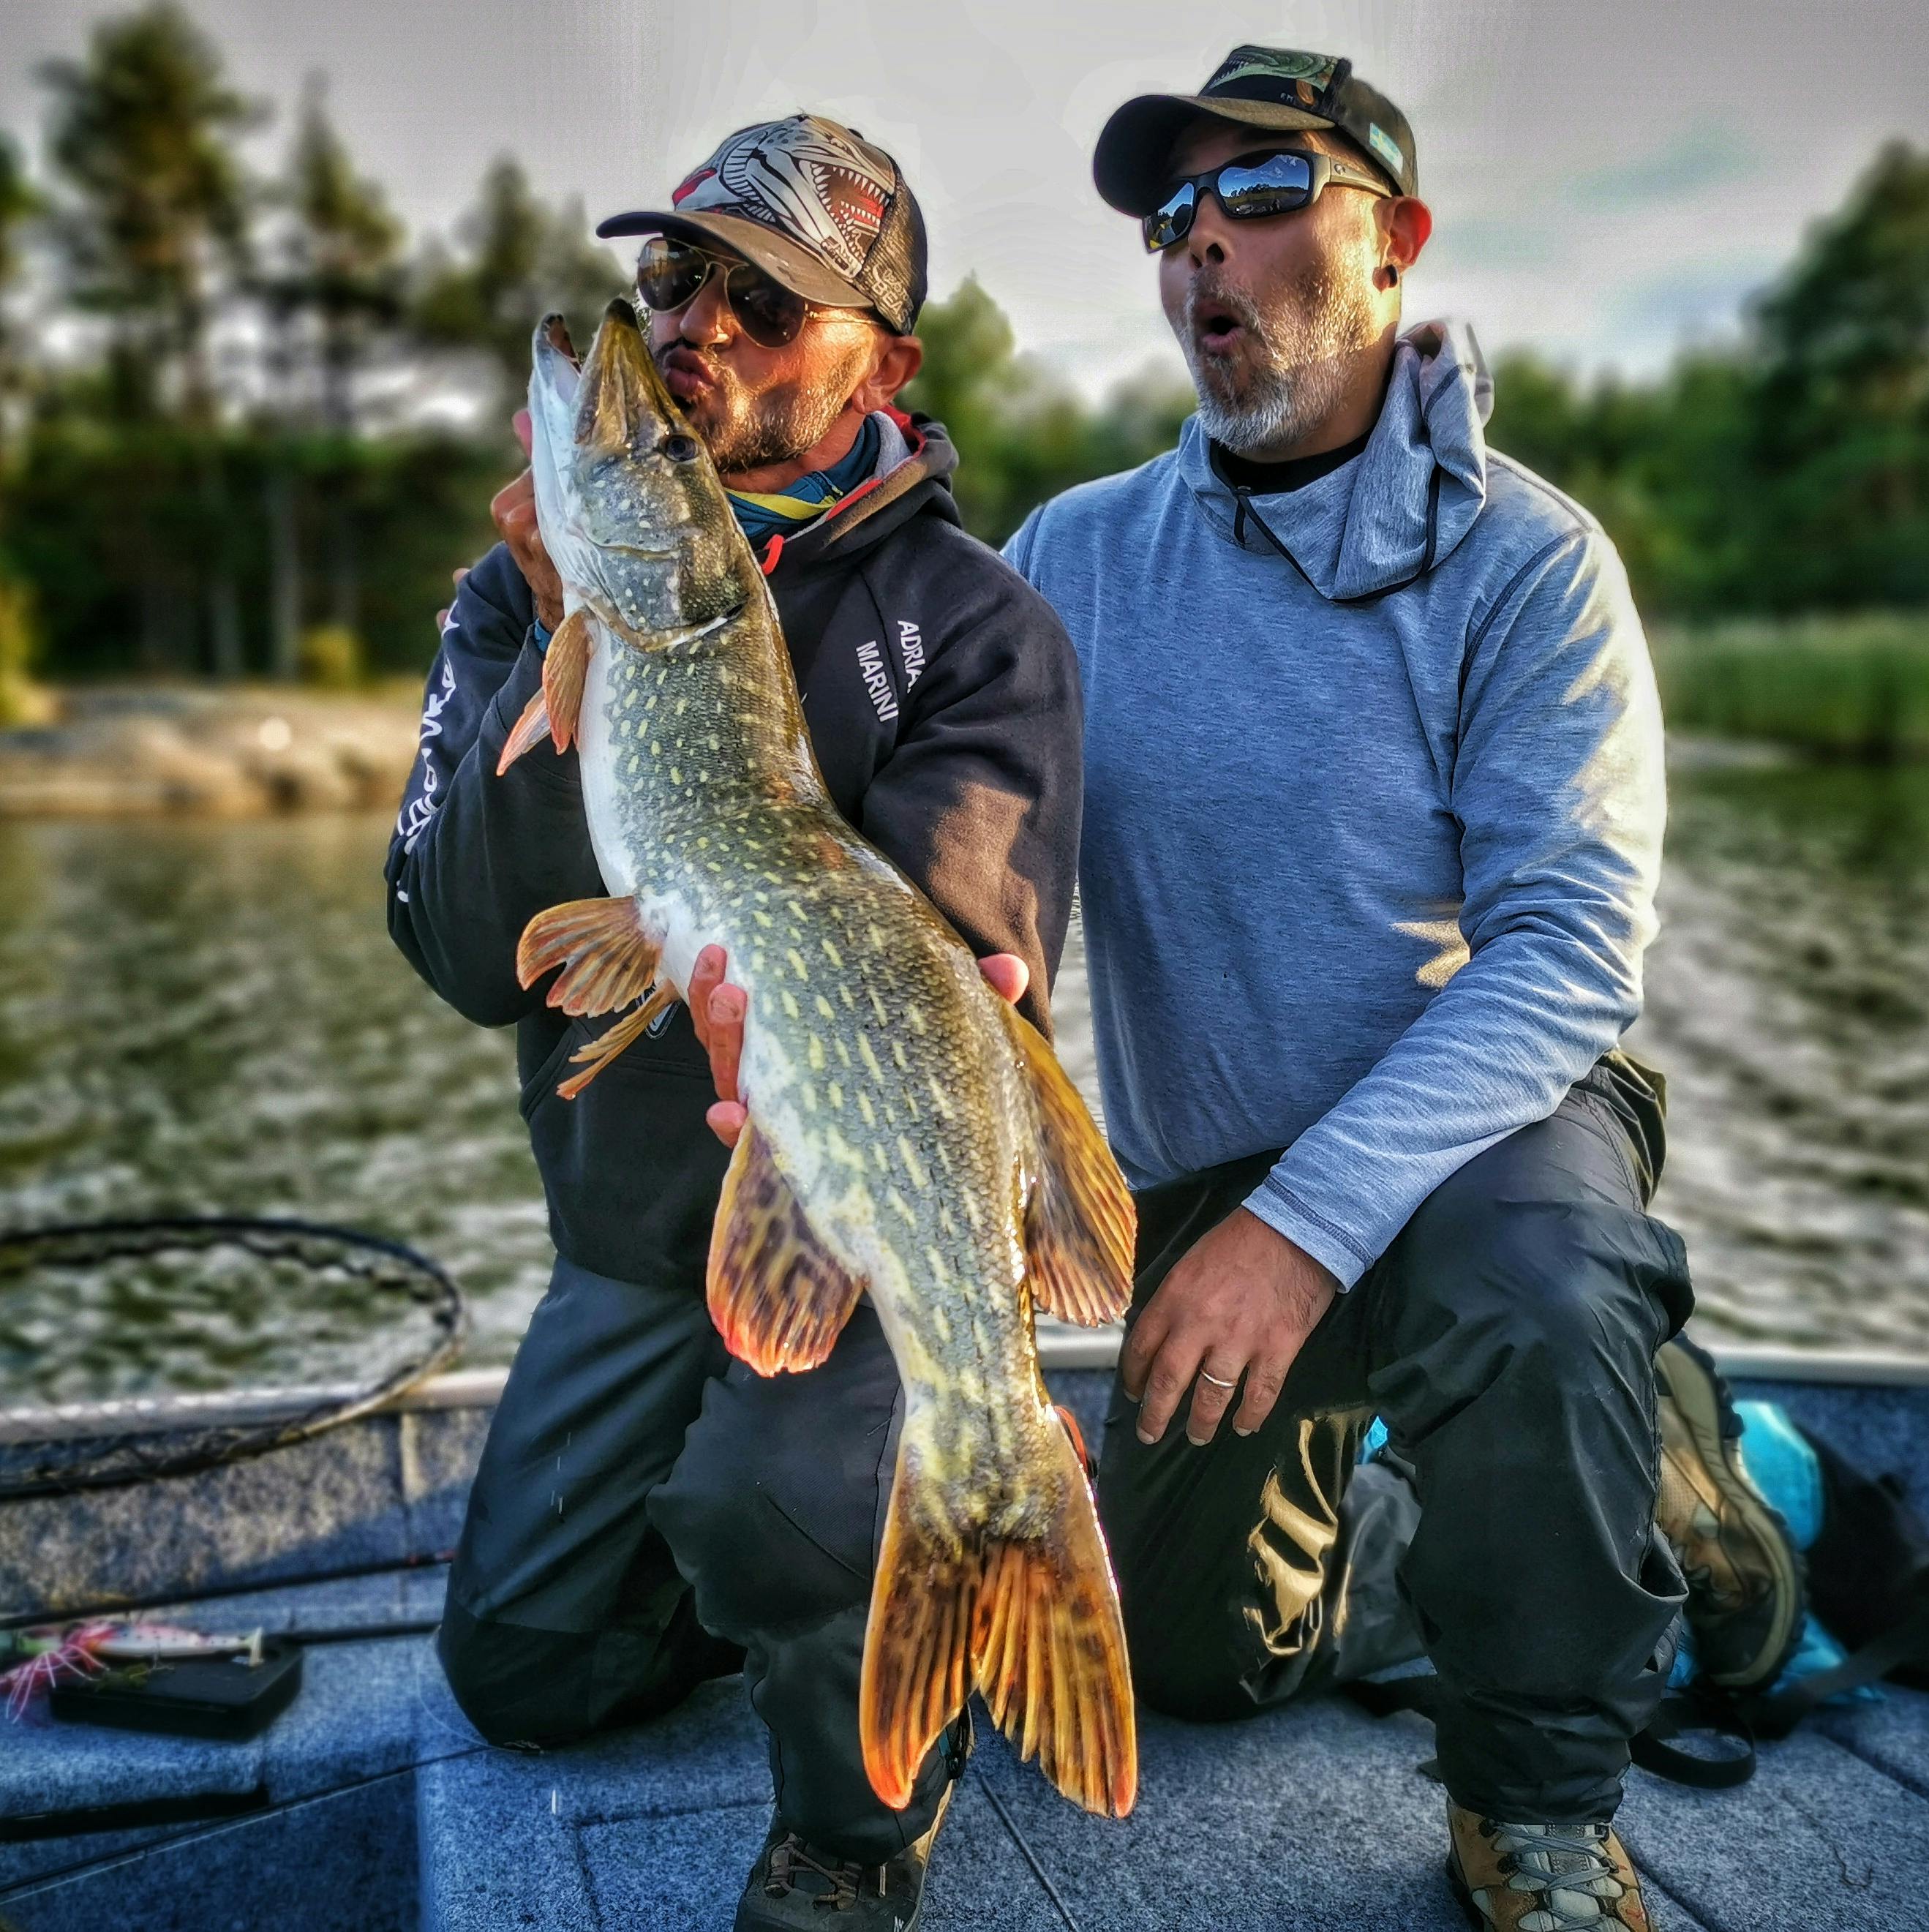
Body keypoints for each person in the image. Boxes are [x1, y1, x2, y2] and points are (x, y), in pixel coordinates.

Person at [993, 46, 1801, 1931]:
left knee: (1532, 1294)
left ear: (1394, 240)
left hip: (1483, 1146)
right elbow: (966, 884)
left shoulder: (1531, 563)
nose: (1203, 245)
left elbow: (1567, 954)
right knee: (1188, 1667)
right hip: (1212, 1178)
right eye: (1171, 216)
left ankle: (1535, 1794)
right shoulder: (1069, 558)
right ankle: (1427, 1516)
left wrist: (1303, 1227)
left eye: (1264, 192)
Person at [385, 113, 1083, 1931]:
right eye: (675, 278)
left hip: (852, 1227)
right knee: (522, 1673)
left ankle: (860, 1816)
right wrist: (553, 637)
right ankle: (757, 1578)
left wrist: (783, 1051)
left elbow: (951, 979)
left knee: (784, 1495)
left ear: (881, 365)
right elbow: (464, 953)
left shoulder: (976, 627)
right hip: (633, 1246)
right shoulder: (521, 595)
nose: (691, 325)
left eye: (766, 303)